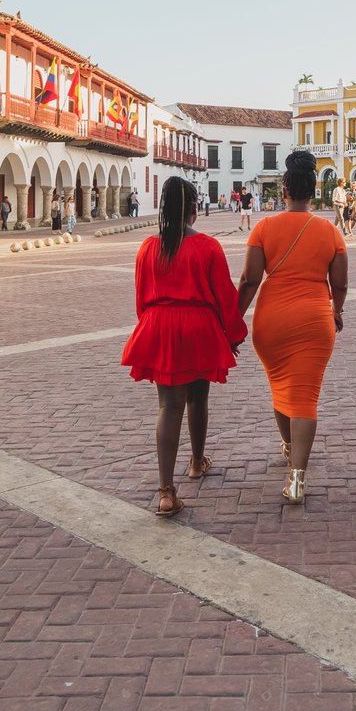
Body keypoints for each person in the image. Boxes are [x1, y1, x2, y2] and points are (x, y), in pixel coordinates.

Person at [121, 176, 247, 518]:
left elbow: (141, 297)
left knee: (168, 406)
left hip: (160, 324)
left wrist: (153, 327)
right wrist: (232, 335)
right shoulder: (208, 247)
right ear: (194, 208)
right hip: (199, 327)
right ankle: (196, 461)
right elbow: (224, 296)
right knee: (198, 398)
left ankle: (165, 491)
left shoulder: (148, 247)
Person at [237, 151, 349, 505]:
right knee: (306, 395)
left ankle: (288, 445)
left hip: (271, 320)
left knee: (280, 385)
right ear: (313, 192)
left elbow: (249, 280)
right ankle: (297, 477)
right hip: (315, 319)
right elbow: (340, 283)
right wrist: (337, 310)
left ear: (283, 190)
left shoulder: (263, 228)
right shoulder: (330, 231)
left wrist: (233, 319)